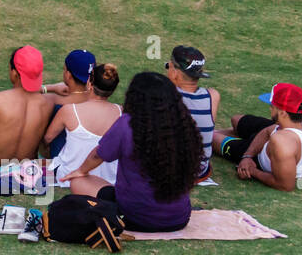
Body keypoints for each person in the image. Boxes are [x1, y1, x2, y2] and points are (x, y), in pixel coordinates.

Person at [63, 72, 203, 232]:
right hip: (179, 218)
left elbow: (99, 154)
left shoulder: (127, 124)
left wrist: (80, 171)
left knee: (78, 182)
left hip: (134, 217)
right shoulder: (184, 124)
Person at [213, 83, 302, 192]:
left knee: (211, 138)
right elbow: (267, 131)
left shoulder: (281, 142)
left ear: (283, 113)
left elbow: (286, 185)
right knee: (236, 120)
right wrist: (247, 156)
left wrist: (252, 170)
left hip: (261, 157)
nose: (270, 109)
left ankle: (212, 133)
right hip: (270, 136)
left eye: (272, 106)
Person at [43, 54, 122, 187]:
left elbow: (47, 139)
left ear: (89, 84)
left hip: (69, 176)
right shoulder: (121, 112)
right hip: (108, 179)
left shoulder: (69, 110)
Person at [165, 45, 219, 181]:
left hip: (171, 170)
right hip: (200, 171)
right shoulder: (212, 96)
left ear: (176, 72)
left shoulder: (165, 94)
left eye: (169, 66)